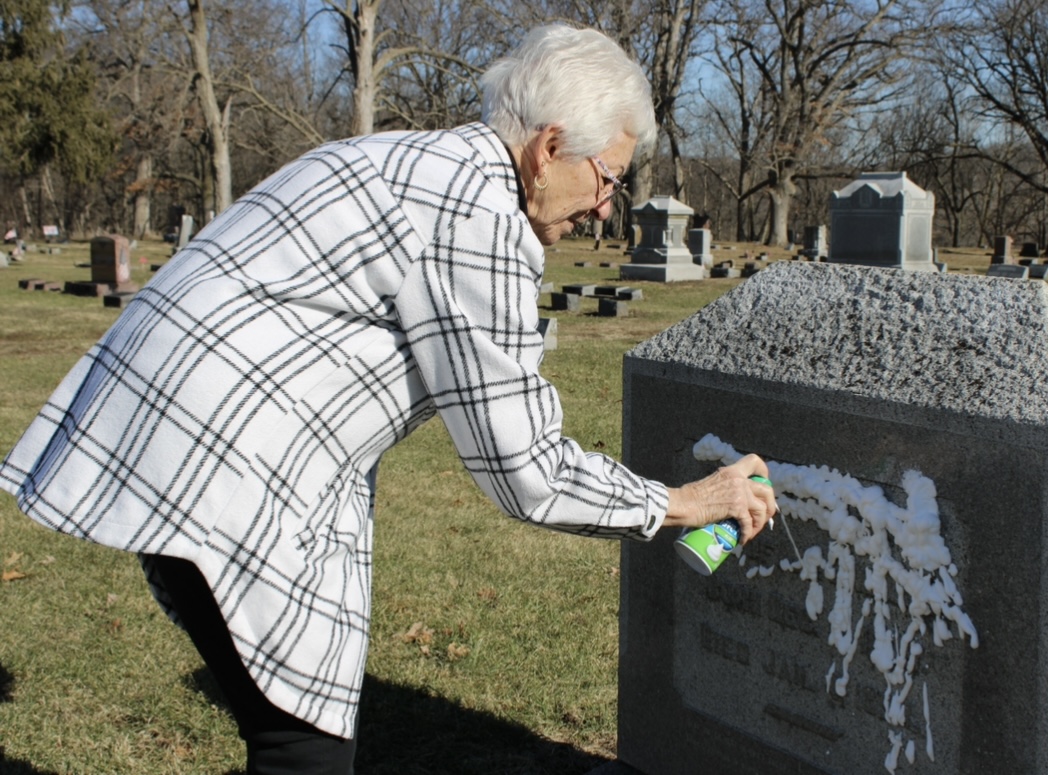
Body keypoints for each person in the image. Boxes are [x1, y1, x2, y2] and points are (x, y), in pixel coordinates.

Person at [0, 24, 776, 774]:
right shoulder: (480, 214)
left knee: (295, 724)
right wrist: (686, 502)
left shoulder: (424, 162)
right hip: (221, 463)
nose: (606, 207)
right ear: (548, 148)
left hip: (174, 437)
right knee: (302, 744)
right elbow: (526, 470)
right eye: (607, 178)